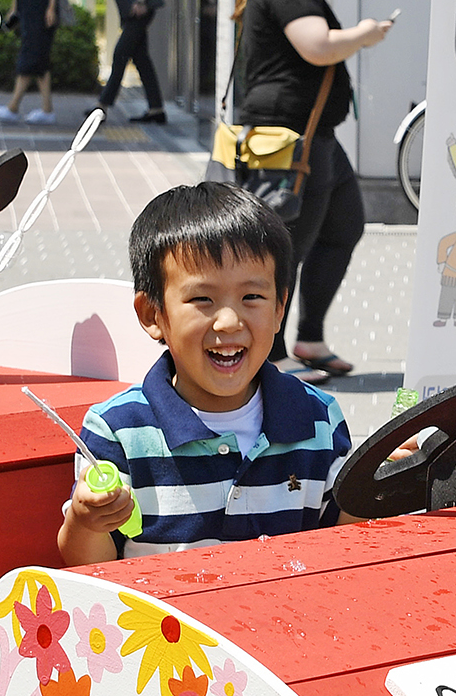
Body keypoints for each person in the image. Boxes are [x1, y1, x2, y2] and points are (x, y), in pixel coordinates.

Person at [58, 183, 352, 561]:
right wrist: (87, 521)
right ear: (152, 315)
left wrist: (381, 484)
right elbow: (88, 566)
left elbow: (345, 544)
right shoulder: (119, 429)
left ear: (280, 308)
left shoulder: (318, 418)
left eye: (252, 297)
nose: (229, 321)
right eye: (202, 299)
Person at [230, 0, 394, 376]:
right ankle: (272, 355)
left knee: (344, 225)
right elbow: (317, 45)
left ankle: (309, 338)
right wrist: (363, 34)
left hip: (314, 135)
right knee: (288, 247)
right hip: (290, 138)